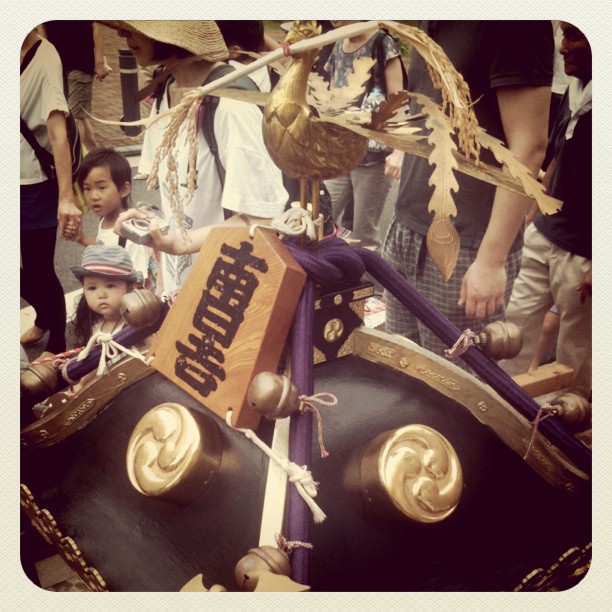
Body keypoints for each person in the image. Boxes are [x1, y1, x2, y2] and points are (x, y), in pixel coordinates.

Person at [382, 21, 553, 362]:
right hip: (405, 227)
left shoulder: (516, 22)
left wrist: (492, 260)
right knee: (401, 366)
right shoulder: (430, 20)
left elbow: (529, 147)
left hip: (466, 245)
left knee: (456, 385)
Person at [107, 20, 288, 295]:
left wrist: (181, 242)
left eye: (136, 27)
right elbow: (175, 201)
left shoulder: (232, 104)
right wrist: (154, 233)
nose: (123, 34)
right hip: (181, 291)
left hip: (227, 294)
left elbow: (262, 218)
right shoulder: (165, 90)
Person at [502, 22, 591, 400]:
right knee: (514, 330)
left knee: (577, 352)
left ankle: (569, 434)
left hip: (586, 250)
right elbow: (554, 155)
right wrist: (531, 211)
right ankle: (504, 408)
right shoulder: (573, 90)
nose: (562, 47)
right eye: (562, 33)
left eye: (574, 36)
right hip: (546, 231)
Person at [20, 28, 83, 357]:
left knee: (38, 269)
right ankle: (45, 314)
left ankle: (56, 337)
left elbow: (57, 134)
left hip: (33, 184)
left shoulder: (44, 57)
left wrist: (66, 198)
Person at [323, 20, 405, 249]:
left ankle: (371, 284)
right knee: (320, 218)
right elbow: (332, 96)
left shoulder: (382, 43)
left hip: (373, 159)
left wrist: (400, 149)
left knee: (364, 234)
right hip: (339, 155)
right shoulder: (339, 42)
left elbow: (397, 100)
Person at [68, 147, 155, 289]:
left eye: (101, 187)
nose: (93, 196)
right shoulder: (105, 219)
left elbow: (139, 280)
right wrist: (81, 238)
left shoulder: (131, 232)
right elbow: (106, 252)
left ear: (124, 190)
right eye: (87, 188)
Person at [70, 244, 144, 392]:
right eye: (92, 288)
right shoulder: (96, 324)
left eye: (110, 286)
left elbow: (156, 353)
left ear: (131, 287)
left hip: (135, 389)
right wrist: (81, 385)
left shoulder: (137, 324)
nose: (101, 294)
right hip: (104, 390)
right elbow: (92, 362)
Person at [42, 20, 111, 151]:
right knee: (76, 115)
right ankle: (96, 154)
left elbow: (96, 25)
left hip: (81, 62)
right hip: (57, 63)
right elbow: (42, 26)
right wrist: (46, 58)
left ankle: (74, 163)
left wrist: (99, 62)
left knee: (75, 118)